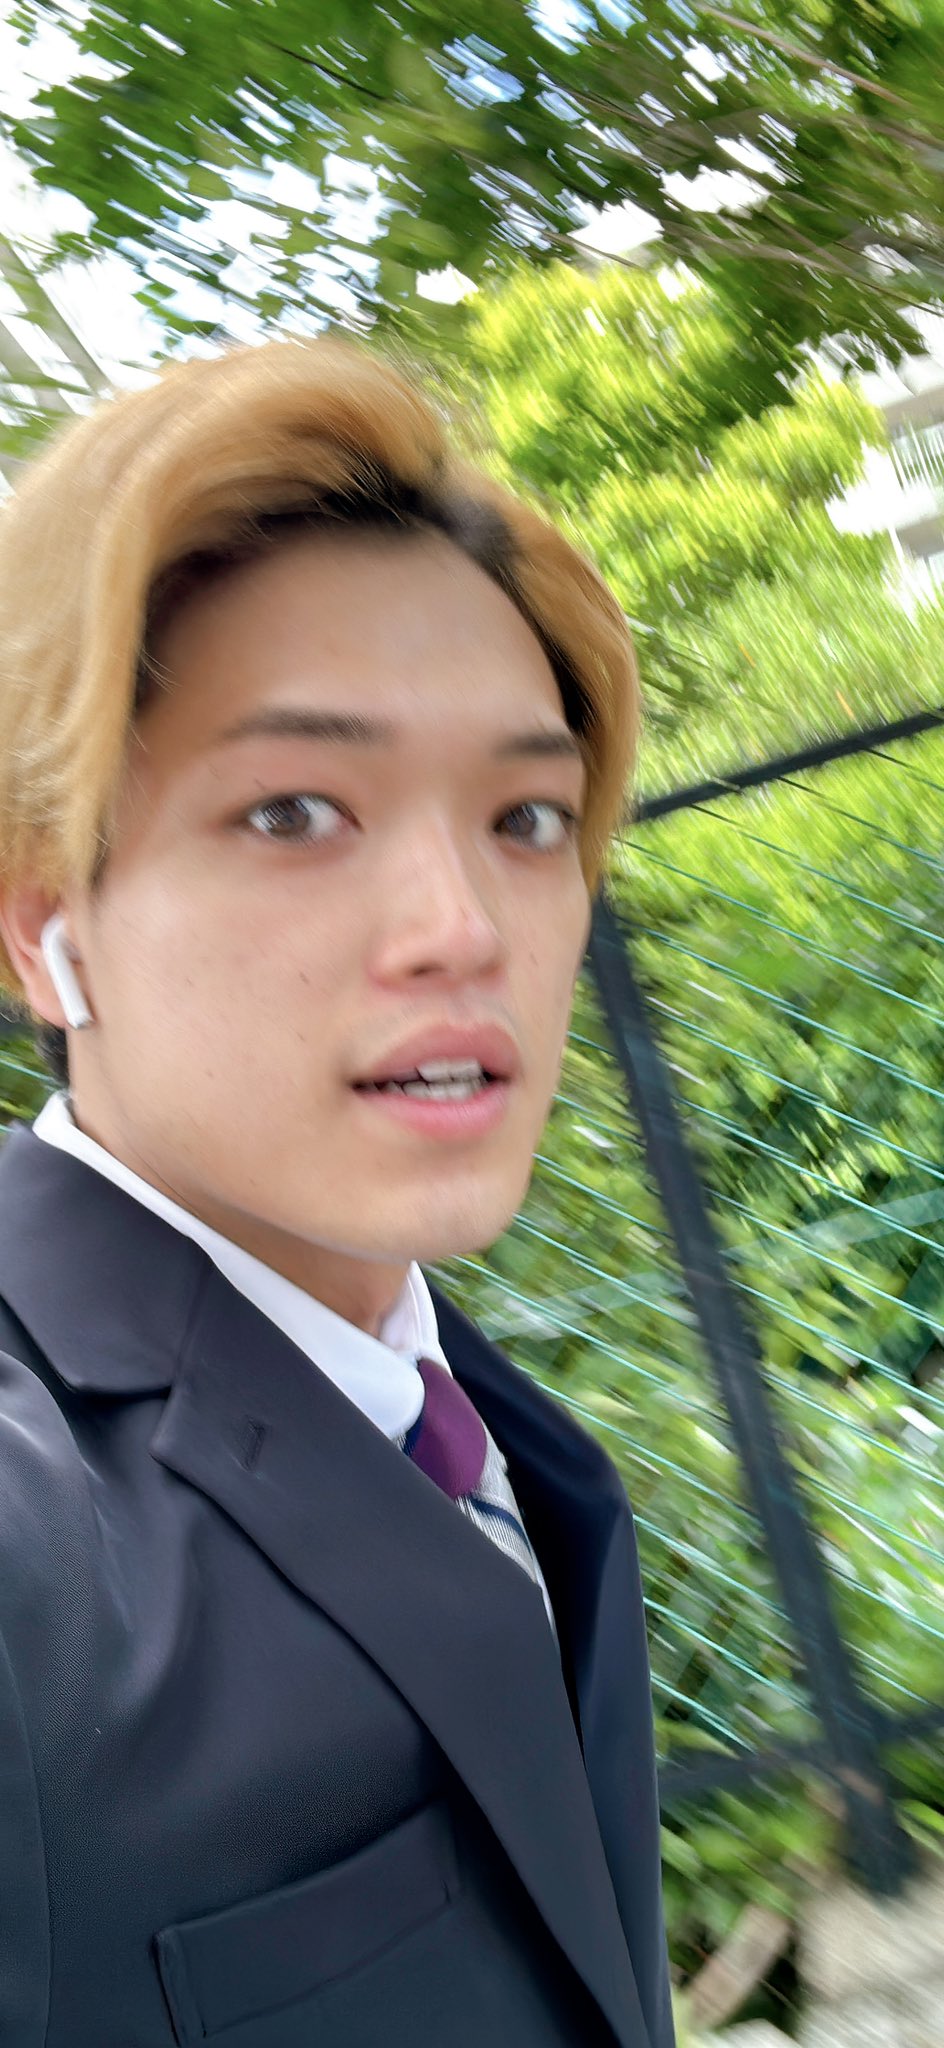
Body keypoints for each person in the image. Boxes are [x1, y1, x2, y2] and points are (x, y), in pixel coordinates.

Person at [0, 335, 673, 2048]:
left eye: (528, 817)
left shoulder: (461, 1412)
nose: (464, 927)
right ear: (43, 921)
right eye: (295, 810)